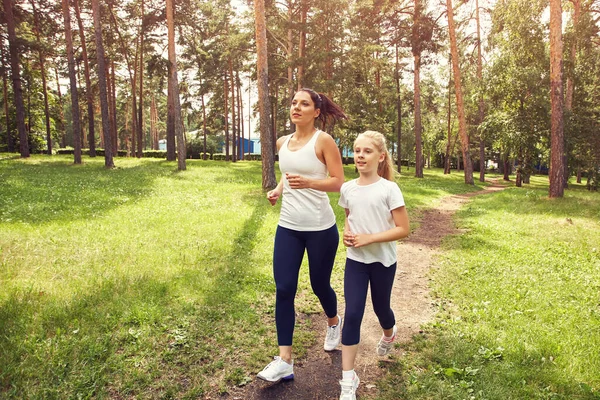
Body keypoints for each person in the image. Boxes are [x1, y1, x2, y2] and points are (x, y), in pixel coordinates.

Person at [257, 88, 348, 383]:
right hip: (288, 227)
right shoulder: (284, 142)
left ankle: (334, 323)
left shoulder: (323, 141)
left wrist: (309, 182)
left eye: (304, 104)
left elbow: (338, 182)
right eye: (294, 103)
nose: (296, 107)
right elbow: (287, 173)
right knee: (284, 289)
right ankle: (285, 360)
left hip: (320, 229)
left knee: (320, 285)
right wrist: (278, 190)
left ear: (316, 112)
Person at [336, 131, 410, 400]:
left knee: (381, 309)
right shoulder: (348, 188)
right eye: (356, 150)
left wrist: (370, 238)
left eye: (367, 151)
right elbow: (349, 217)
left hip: (383, 261)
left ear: (380, 157)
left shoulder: (389, 189)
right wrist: (348, 234)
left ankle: (389, 334)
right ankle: (348, 380)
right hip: (356, 262)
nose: (360, 156)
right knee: (353, 313)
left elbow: (403, 228)